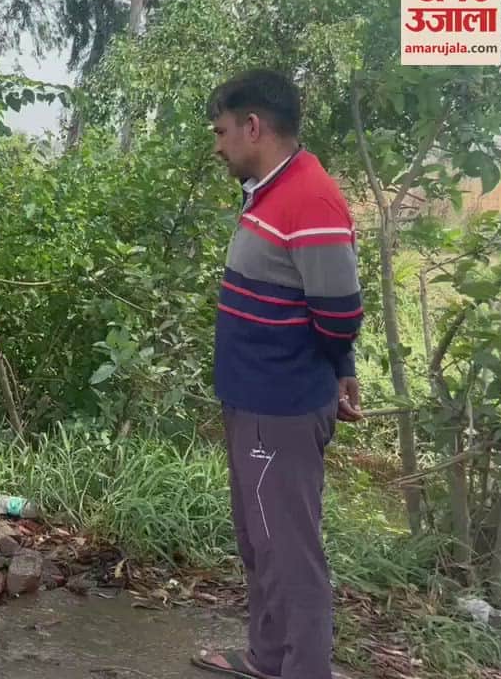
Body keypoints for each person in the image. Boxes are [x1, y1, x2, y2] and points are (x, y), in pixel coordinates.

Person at [193, 69, 363, 679]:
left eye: (221, 132)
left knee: (291, 555)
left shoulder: (309, 198)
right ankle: (268, 659)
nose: (217, 146)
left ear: (252, 127)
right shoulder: (271, 190)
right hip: (256, 401)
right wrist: (340, 367)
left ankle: (304, 668)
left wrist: (335, 365)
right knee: (260, 541)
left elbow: (339, 312)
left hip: (281, 406)